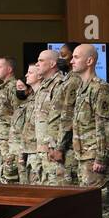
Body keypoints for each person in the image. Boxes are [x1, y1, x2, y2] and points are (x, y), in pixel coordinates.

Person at [70, 45, 109, 218]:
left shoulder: (100, 89)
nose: (71, 61)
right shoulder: (83, 89)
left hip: (95, 156)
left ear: (90, 61)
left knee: (100, 202)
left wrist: (101, 157)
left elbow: (105, 127)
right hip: (84, 155)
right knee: (91, 203)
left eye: (76, 57)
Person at [34, 49, 81, 186]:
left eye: (41, 61)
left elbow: (63, 117)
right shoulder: (43, 85)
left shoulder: (60, 84)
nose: (37, 64)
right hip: (44, 148)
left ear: (52, 64)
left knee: (58, 192)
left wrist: (57, 147)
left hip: (57, 150)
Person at [0, 56, 24, 184]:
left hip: (10, 138)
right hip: (3, 138)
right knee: (5, 171)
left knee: (10, 174)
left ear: (9, 69)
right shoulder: (5, 88)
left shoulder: (14, 88)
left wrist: (14, 137)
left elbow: (19, 113)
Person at [6, 65, 38, 185]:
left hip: (23, 152)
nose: (18, 90)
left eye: (21, 87)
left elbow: (25, 132)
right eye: (17, 87)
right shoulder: (20, 107)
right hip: (14, 152)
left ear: (29, 89)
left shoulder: (30, 106)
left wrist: (21, 155)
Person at [21, 64, 45, 184]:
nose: (26, 75)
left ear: (39, 75)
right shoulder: (32, 97)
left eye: (30, 72)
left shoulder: (44, 96)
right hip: (30, 150)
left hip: (39, 151)